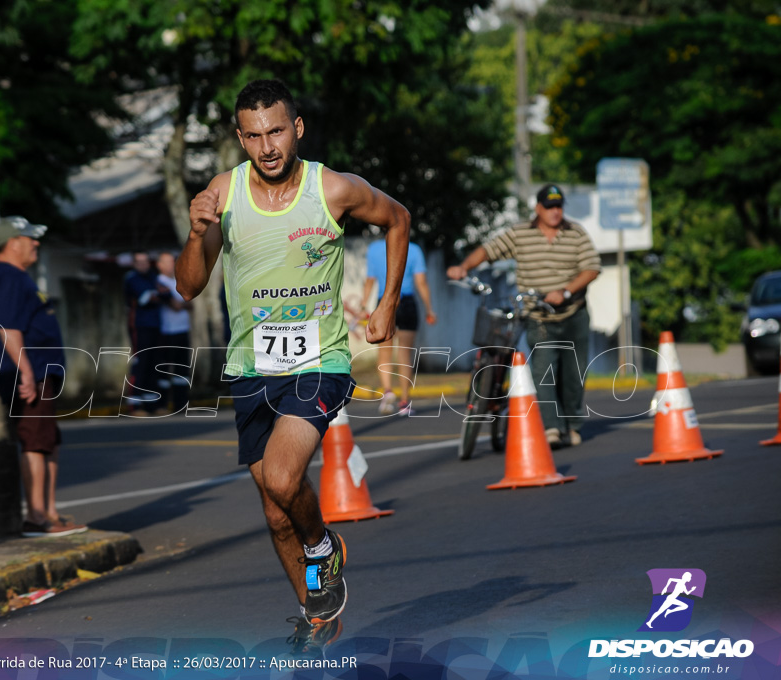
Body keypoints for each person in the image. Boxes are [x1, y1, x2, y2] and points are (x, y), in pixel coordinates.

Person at [177, 79, 410, 651]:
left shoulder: (331, 188)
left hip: (319, 360)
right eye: (254, 136)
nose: (268, 146)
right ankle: (317, 619)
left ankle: (323, 548)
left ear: (297, 128)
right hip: (250, 367)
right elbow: (189, 286)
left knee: (284, 478)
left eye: (277, 130)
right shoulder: (222, 194)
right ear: (240, 138)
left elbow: (398, 218)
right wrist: (195, 232)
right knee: (278, 512)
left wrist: (387, 303)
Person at [446, 183, 601, 447]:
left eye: (559, 206)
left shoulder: (575, 233)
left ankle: (572, 424)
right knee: (543, 371)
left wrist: (565, 292)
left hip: (574, 313)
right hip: (538, 316)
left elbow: (591, 268)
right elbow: (489, 250)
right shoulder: (520, 234)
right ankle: (552, 427)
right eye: (549, 206)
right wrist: (463, 266)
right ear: (538, 208)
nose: (555, 211)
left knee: (574, 375)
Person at [0, 216, 87, 538]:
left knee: (47, 441)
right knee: (36, 442)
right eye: (29, 238)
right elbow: (8, 330)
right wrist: (26, 373)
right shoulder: (8, 277)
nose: (35, 243)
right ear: (12, 242)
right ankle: (37, 517)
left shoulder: (15, 276)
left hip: (39, 371)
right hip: (28, 372)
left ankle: (49, 513)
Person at [360, 239, 436, 415]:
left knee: (384, 351)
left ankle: (387, 391)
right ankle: (404, 402)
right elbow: (421, 282)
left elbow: (370, 280)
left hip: (385, 302)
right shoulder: (414, 249)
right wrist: (429, 309)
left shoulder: (374, 248)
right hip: (407, 302)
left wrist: (364, 305)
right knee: (405, 353)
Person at [124, 251, 168, 415]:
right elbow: (146, 298)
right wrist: (156, 294)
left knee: (153, 364)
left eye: (145, 261)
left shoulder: (153, 277)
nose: (143, 265)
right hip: (139, 326)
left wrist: (156, 294)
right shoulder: (132, 279)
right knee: (140, 363)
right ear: (134, 264)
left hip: (156, 325)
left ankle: (151, 405)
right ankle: (134, 405)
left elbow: (166, 293)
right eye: (139, 262)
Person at [155, 251, 192, 413]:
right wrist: (182, 304)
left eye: (173, 261)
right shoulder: (159, 282)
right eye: (167, 262)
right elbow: (176, 305)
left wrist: (182, 304)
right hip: (167, 332)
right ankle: (162, 404)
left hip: (183, 330)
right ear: (159, 265)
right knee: (165, 369)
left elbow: (191, 304)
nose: (172, 265)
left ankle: (181, 404)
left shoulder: (179, 282)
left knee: (182, 371)